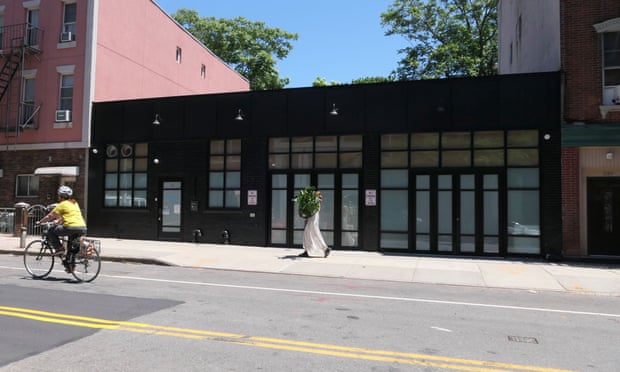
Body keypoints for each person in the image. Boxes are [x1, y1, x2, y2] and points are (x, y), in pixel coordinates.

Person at [37, 186, 87, 264]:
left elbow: (50, 216)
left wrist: (40, 222)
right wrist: (59, 221)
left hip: (70, 227)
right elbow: (70, 215)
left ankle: (59, 248)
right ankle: (70, 265)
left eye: (59, 195)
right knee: (70, 244)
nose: (58, 197)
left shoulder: (62, 204)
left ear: (61, 196)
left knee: (51, 231)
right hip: (82, 227)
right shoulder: (74, 202)